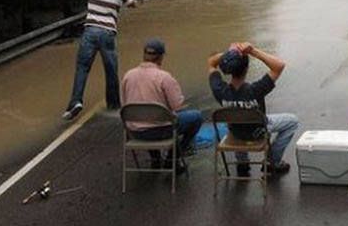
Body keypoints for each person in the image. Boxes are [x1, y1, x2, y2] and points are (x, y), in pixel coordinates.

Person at [208, 42, 299, 177]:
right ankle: (271, 161)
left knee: (237, 120)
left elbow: (211, 62)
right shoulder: (256, 90)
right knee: (292, 121)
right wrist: (252, 51)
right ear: (246, 68)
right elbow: (279, 66)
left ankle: (242, 163)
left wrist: (231, 53)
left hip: (236, 133)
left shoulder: (220, 90)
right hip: (258, 132)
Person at [63, 0, 137, 120]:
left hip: (90, 32)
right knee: (111, 70)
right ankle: (114, 104)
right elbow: (132, 4)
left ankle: (75, 101)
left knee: (82, 68)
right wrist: (132, 1)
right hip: (107, 34)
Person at [122, 39, 203, 174]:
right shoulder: (164, 78)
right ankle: (172, 158)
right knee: (196, 117)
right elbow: (178, 105)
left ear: (144, 55)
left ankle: (155, 158)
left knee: (146, 118)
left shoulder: (128, 76)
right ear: (160, 57)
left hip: (134, 133)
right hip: (161, 130)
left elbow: (125, 105)